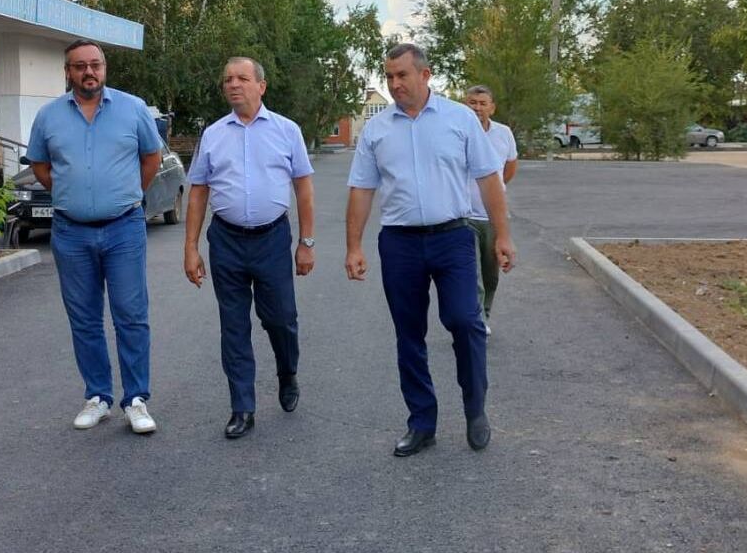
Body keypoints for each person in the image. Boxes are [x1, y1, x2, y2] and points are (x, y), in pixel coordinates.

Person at [345, 43, 516, 457]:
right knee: (409, 334)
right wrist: (354, 246)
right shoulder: (378, 129)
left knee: (465, 321)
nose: (394, 84)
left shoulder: (460, 119)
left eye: (402, 75)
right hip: (400, 243)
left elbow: (490, 180)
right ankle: (422, 422)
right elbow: (362, 189)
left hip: (454, 236)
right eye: (388, 76)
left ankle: (475, 408)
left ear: (425, 75)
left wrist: (503, 236)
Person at [26, 39, 163, 435]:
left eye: (96, 65)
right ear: (67, 72)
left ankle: (135, 399)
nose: (89, 72)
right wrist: (72, 195)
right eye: (80, 66)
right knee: (84, 319)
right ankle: (98, 397)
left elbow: (150, 158)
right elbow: (40, 163)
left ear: (104, 68)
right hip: (71, 233)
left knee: (131, 316)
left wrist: (127, 196)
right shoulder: (49, 116)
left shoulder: (133, 109)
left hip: (124, 228)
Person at [184, 57, 316, 440]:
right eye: (227, 79)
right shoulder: (213, 134)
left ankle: (287, 371)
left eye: (242, 78)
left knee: (281, 319)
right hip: (225, 240)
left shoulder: (286, 131)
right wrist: (191, 248)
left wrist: (306, 243)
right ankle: (242, 406)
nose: (233, 84)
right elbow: (198, 193)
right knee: (234, 325)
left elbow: (304, 189)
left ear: (262, 85)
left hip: (272, 240)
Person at [462, 85, 519, 336]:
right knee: (471, 274)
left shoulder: (504, 134)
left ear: (492, 107)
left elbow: (510, 167)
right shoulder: (457, 132)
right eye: (472, 102)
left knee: (489, 273)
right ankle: (476, 320)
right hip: (463, 215)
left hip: (492, 217)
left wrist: (497, 189)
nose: (477, 108)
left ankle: (485, 312)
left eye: (482, 103)